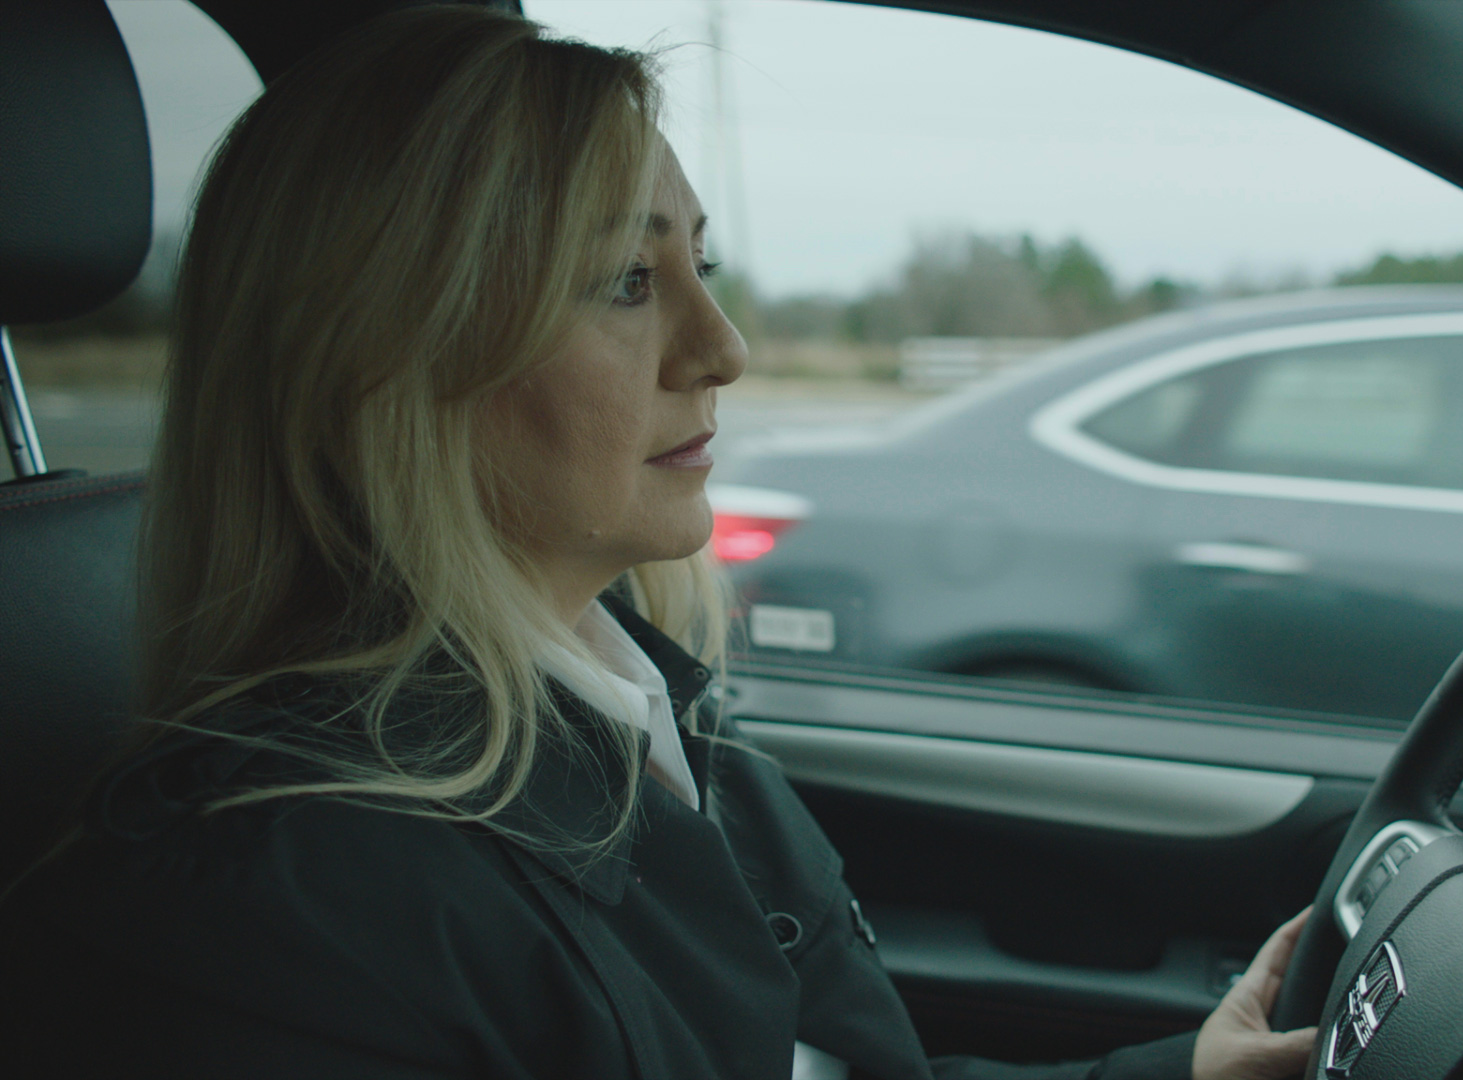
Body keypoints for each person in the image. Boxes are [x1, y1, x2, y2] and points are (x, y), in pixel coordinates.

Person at [0, 7, 1318, 1078]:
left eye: (702, 264)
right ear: (391, 359)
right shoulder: (259, 922)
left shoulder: (653, 718)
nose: (722, 350)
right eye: (631, 282)